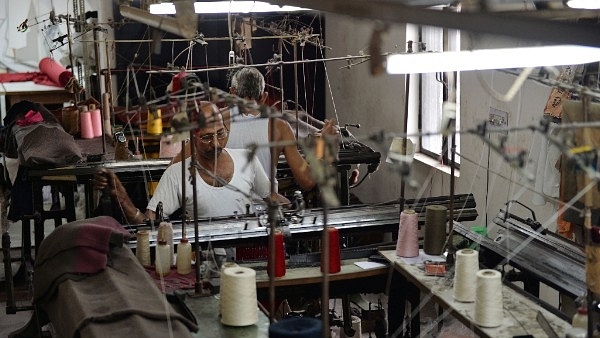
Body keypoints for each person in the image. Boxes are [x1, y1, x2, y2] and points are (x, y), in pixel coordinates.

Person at [94, 102, 288, 224]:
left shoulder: (248, 159)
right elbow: (147, 223)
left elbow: (272, 198)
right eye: (206, 138)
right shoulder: (177, 175)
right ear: (192, 138)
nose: (215, 143)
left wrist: (301, 209)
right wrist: (122, 198)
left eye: (220, 134)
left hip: (249, 252)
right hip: (205, 262)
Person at [173, 66, 340, 192]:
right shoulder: (279, 128)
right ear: (264, 96)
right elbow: (307, 181)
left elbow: (175, 168)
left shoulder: (214, 122)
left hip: (224, 212)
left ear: (231, 92)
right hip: (266, 217)